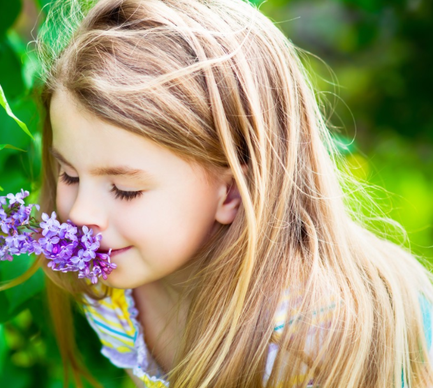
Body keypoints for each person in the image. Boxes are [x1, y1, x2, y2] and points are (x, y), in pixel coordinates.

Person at [32, 0, 433, 386]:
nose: (80, 215)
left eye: (125, 190)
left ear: (231, 194)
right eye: (68, 176)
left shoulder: (305, 339)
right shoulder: (115, 291)